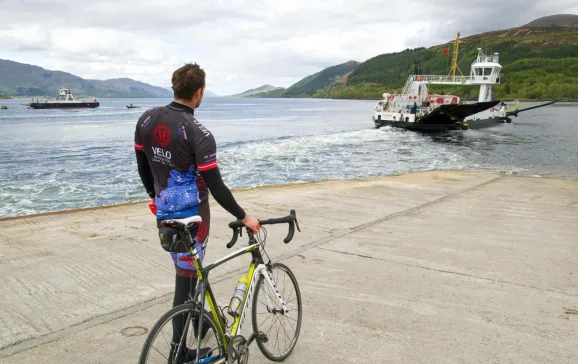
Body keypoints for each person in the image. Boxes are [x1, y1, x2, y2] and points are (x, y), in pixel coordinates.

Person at [134, 62, 260, 361]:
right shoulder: (198, 132)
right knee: (185, 278)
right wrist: (244, 216)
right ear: (198, 93)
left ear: (174, 87)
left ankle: (199, 320)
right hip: (194, 218)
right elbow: (216, 186)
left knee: (190, 273)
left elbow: (142, 166)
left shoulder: (146, 119)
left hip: (164, 209)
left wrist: (155, 196)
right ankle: (179, 352)